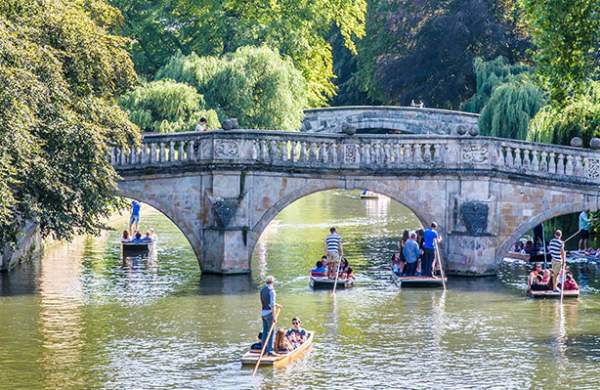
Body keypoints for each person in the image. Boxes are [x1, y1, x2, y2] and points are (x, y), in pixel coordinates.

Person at [260, 276, 281, 356]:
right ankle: (270, 351)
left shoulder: (262, 290)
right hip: (269, 314)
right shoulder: (272, 291)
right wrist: (274, 316)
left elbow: (266, 301)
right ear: (273, 282)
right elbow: (272, 305)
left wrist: (277, 304)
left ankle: (263, 350)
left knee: (265, 331)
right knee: (271, 332)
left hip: (263, 313)